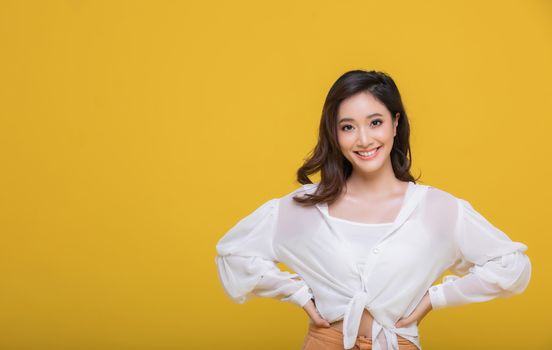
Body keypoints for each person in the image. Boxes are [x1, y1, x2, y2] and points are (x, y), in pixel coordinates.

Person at [214, 70, 532, 350]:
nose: (364, 139)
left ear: (395, 123)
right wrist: (296, 294)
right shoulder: (305, 208)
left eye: (375, 122)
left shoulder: (437, 210)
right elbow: (234, 253)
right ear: (334, 134)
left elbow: (510, 266)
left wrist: (434, 300)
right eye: (348, 127)